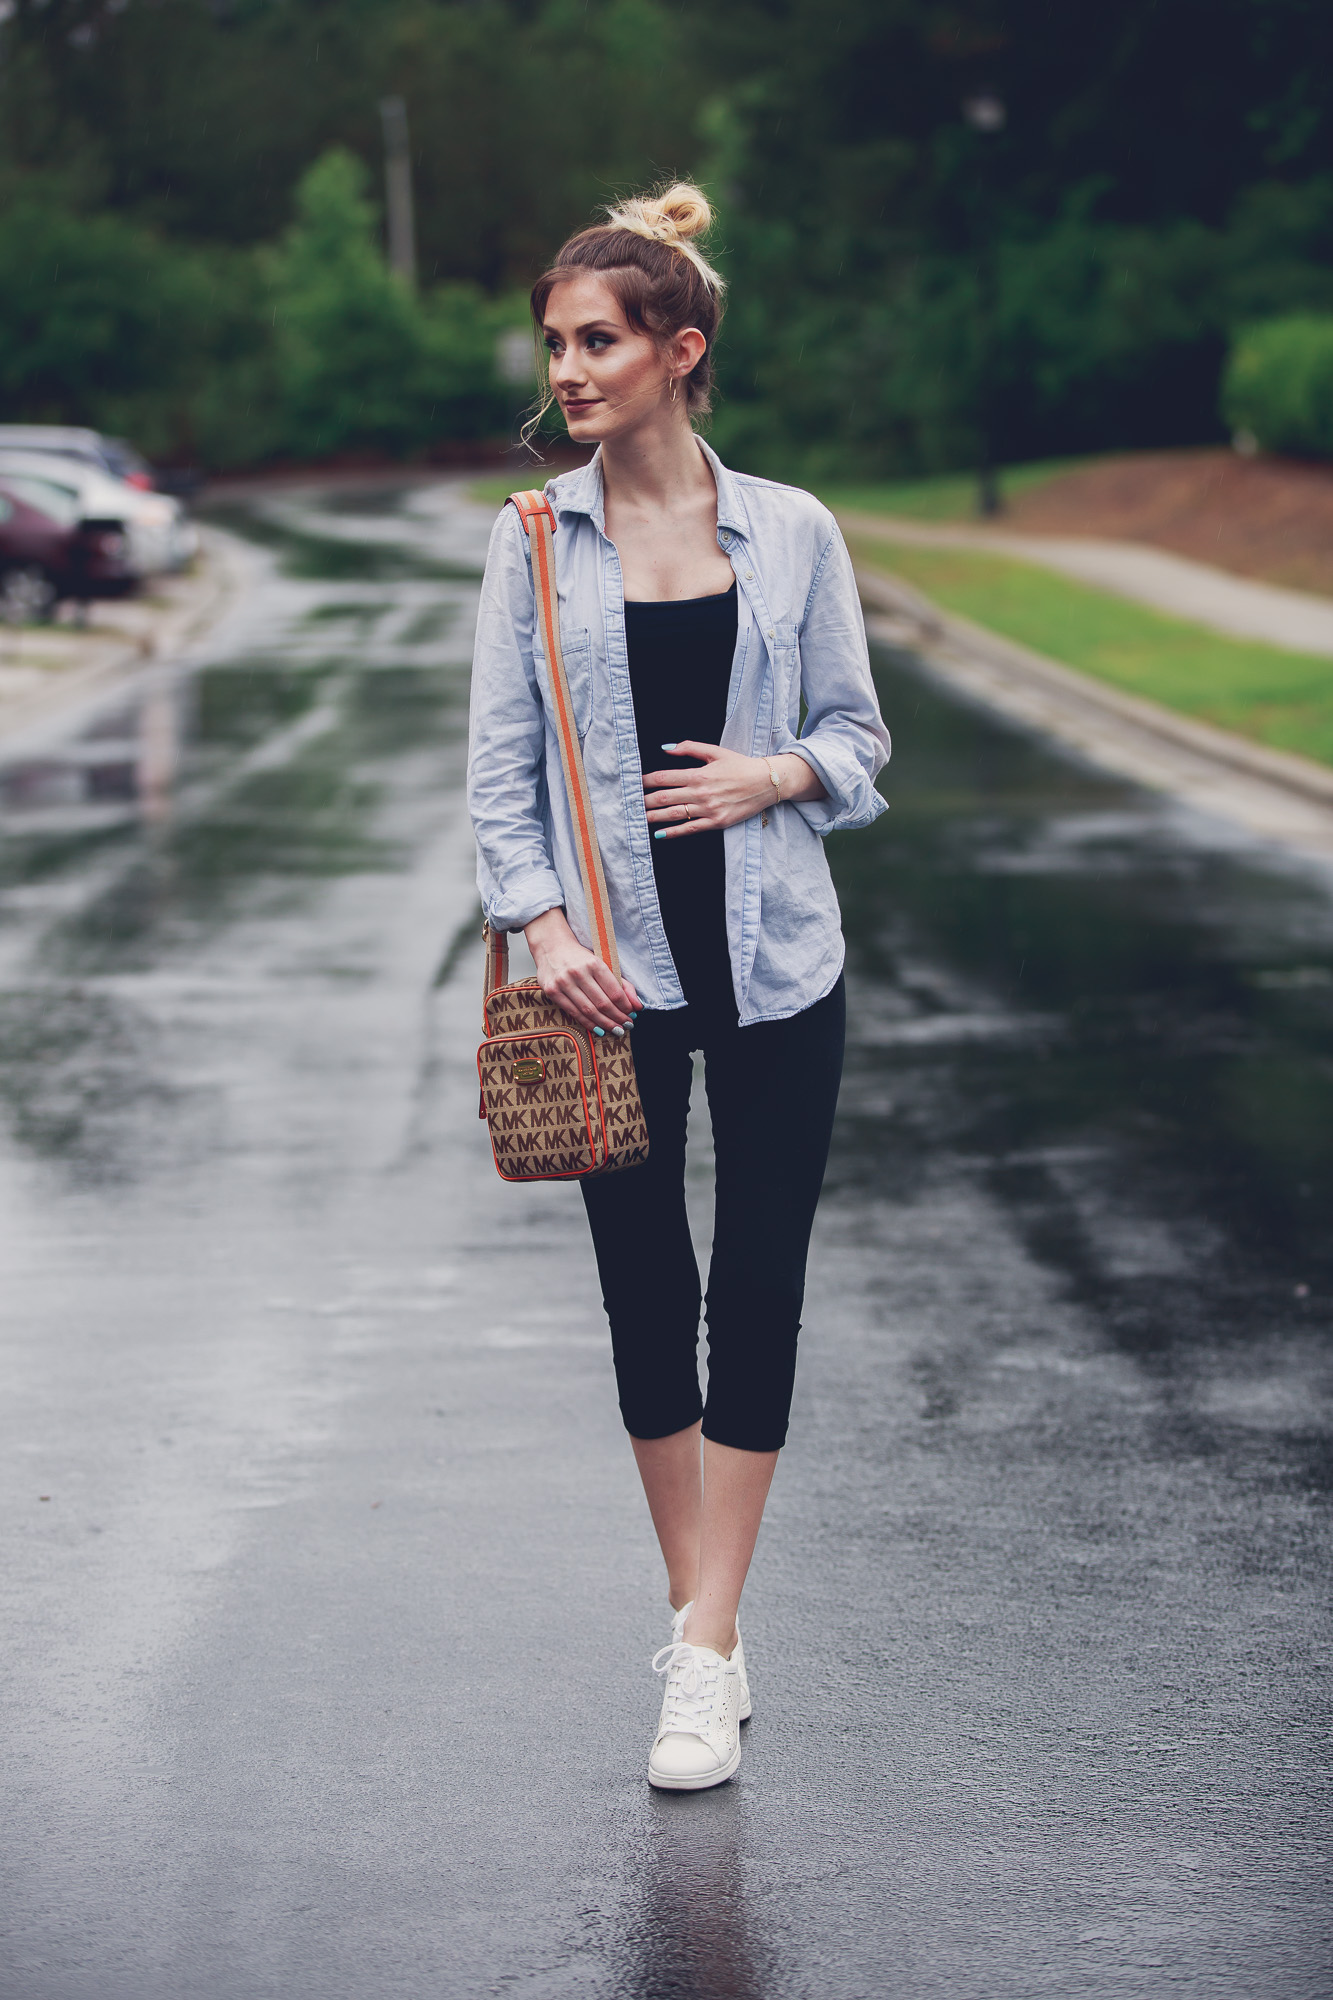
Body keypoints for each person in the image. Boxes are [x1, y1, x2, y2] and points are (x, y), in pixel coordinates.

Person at [467, 183, 890, 1790]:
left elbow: (856, 742)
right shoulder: (529, 543)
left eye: (597, 341)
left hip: (780, 967)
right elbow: (501, 782)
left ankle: (703, 1654)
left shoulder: (790, 532)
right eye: (555, 343)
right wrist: (542, 924)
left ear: (677, 349)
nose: (567, 370)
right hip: (606, 989)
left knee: (754, 1290)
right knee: (646, 1297)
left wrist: (769, 776)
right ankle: (697, 1618)